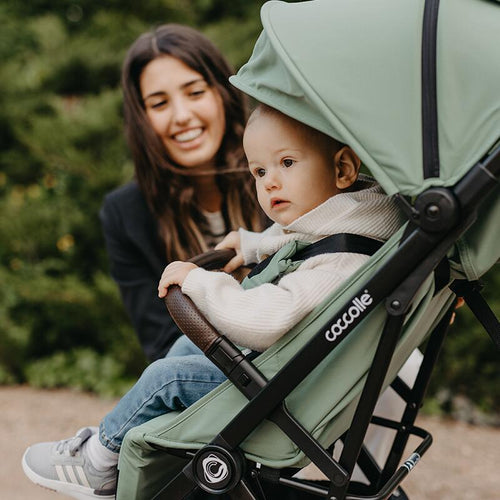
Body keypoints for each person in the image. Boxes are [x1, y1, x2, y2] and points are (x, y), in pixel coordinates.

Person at [22, 104, 405, 499]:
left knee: (165, 379)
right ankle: (158, 445)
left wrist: (203, 284)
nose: (270, 183)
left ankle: (99, 460)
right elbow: (307, 237)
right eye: (259, 172)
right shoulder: (361, 220)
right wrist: (254, 245)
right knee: (190, 347)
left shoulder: (339, 261)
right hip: (303, 372)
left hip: (288, 393)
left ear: (343, 169)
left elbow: (268, 318)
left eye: (286, 162)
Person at [99, 24, 264, 361]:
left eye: (195, 92)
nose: (182, 116)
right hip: (211, 378)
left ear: (222, 93)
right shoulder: (125, 214)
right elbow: (162, 347)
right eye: (159, 104)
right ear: (141, 119)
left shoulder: (282, 174)